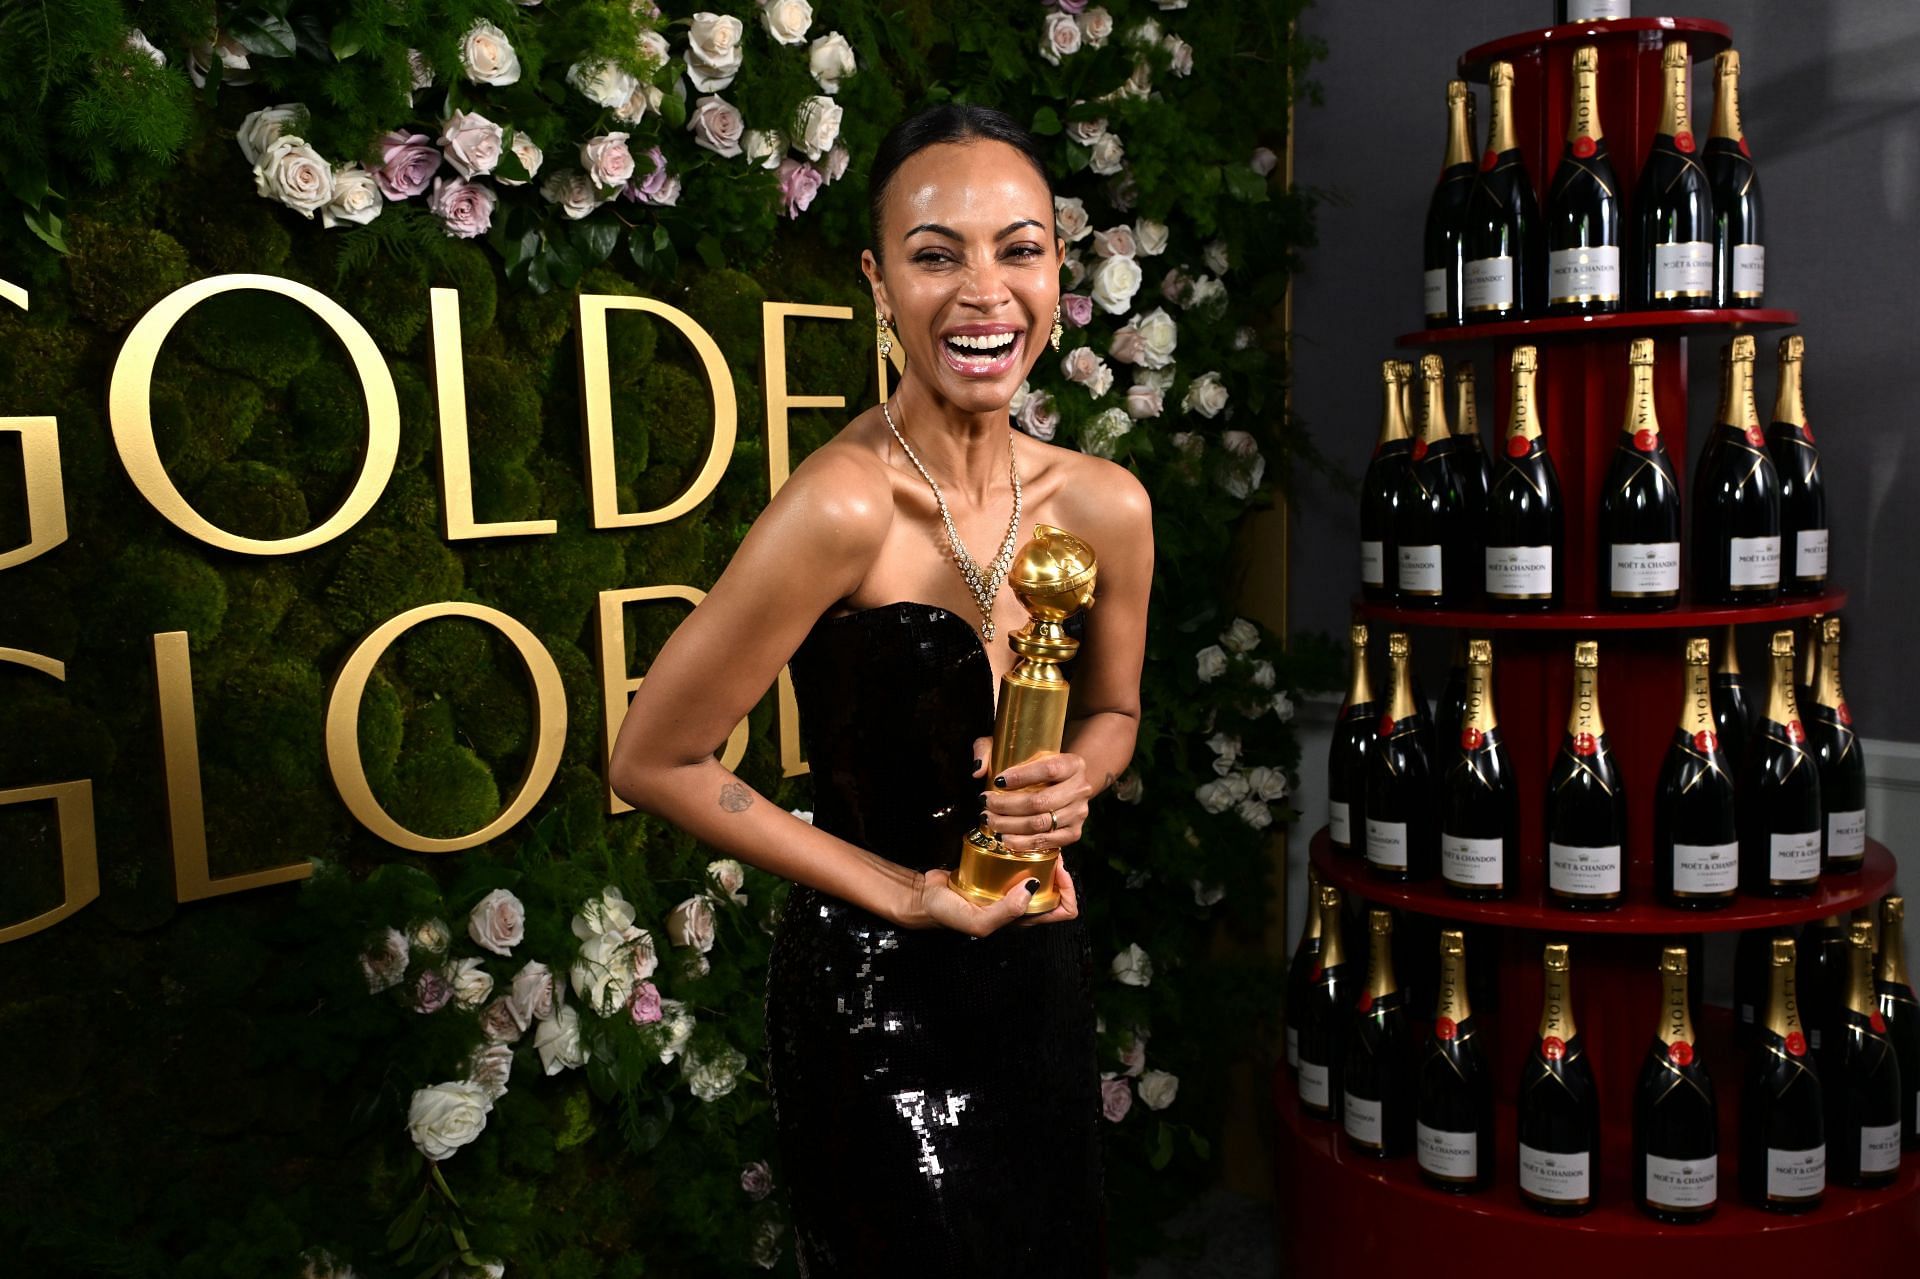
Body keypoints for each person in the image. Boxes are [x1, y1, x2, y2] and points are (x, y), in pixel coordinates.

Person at [609, 103, 1154, 1277]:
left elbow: (1113, 714)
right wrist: (907, 897)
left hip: (1036, 975)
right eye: (935, 253)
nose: (984, 292)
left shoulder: (1106, 504)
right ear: (878, 279)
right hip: (875, 999)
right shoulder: (842, 505)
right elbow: (653, 758)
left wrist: (1078, 779)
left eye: (1019, 247)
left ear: (1060, 265)